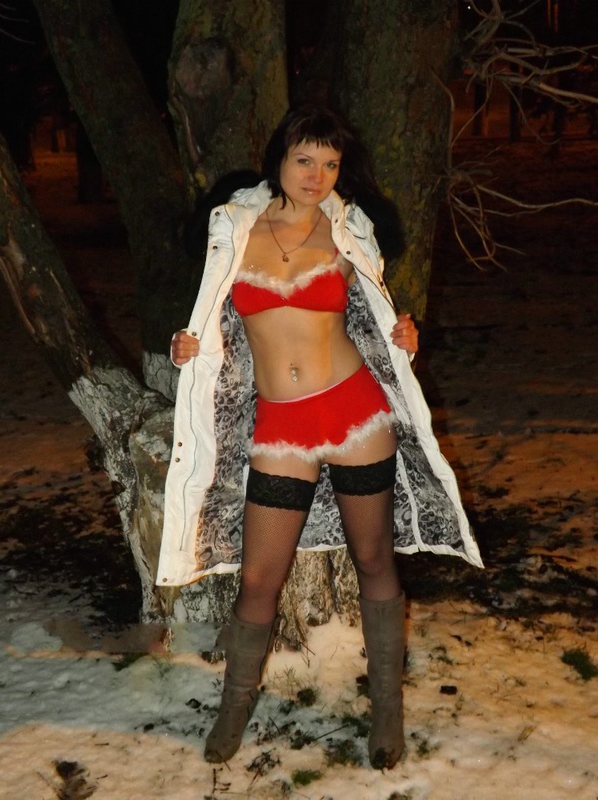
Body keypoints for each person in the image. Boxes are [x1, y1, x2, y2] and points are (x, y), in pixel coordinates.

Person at [156, 105, 482, 770]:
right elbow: (212, 317)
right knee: (259, 577)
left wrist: (405, 334)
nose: (317, 175)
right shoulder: (234, 227)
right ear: (279, 157)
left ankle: (386, 712)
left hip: (355, 414)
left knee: (374, 560)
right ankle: (233, 710)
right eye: (305, 159)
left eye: (330, 164)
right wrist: (189, 344)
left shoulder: (347, 228)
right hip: (282, 426)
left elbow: (378, 309)